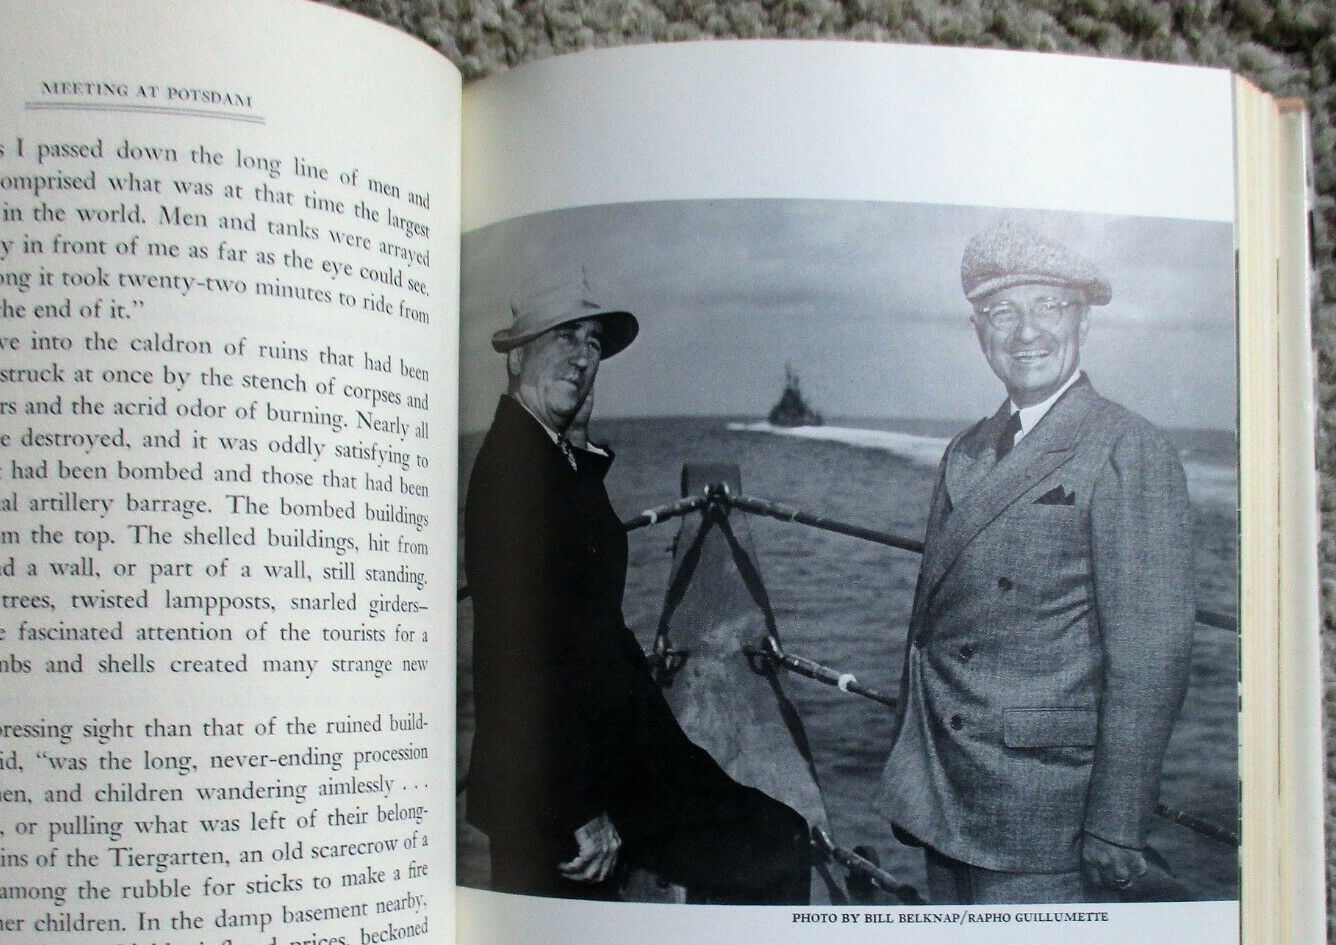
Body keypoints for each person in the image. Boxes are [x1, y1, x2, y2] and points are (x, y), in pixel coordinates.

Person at [463, 266, 812, 902]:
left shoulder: (546, 455)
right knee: (775, 843)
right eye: (563, 337)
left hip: (607, 744)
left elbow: (583, 592)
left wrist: (579, 441)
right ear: (516, 358)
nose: (582, 358)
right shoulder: (515, 474)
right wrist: (579, 808)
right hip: (559, 781)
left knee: (774, 834)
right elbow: (519, 664)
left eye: (592, 342)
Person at [878, 219, 1194, 904]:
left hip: (1044, 810)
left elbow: (1151, 656)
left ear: (1083, 319)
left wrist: (1116, 825)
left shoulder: (1127, 448)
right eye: (1002, 312)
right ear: (978, 332)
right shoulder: (967, 450)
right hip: (945, 792)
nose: (1026, 332)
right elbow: (928, 628)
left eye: (1049, 306)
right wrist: (912, 767)